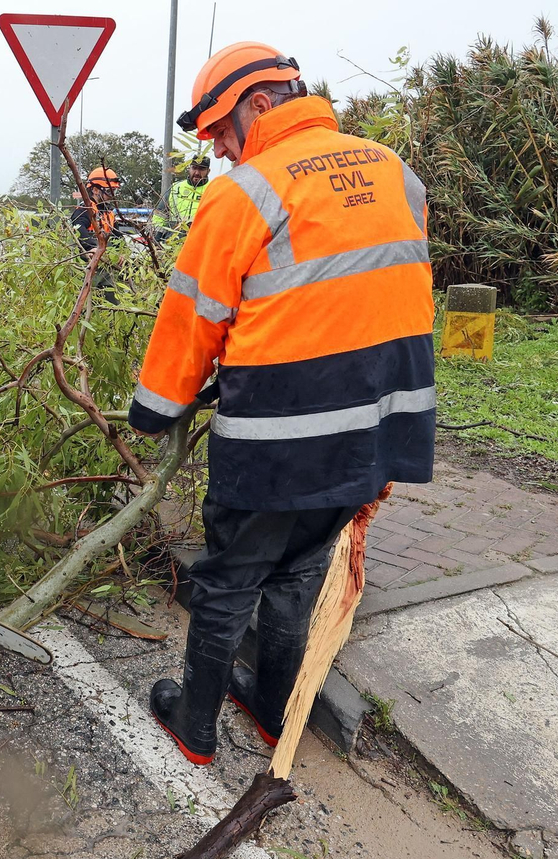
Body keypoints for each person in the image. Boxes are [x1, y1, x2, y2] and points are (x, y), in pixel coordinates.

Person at [129, 42, 436, 765]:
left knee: (229, 581)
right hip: (373, 433)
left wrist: (154, 410)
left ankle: (195, 729)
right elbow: (380, 295)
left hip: (277, 437)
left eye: (223, 134)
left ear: (260, 104)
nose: (222, 152)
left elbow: (193, 316)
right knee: (299, 573)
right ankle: (271, 711)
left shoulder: (244, 193)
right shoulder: (397, 173)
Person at [151, 157, 212, 235]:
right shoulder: (176, 188)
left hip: (200, 242)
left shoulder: (213, 189)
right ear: (189, 168)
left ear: (208, 171)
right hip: (173, 242)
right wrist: (157, 236)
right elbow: (160, 214)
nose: (197, 172)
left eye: (201, 169)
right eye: (194, 168)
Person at [70, 166, 121, 252]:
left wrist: (122, 252)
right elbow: (78, 228)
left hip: (107, 261)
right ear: (95, 190)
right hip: (87, 262)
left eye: (114, 191)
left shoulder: (109, 213)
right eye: (109, 191)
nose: (112, 195)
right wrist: (91, 248)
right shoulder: (84, 210)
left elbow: (118, 237)